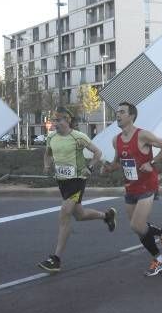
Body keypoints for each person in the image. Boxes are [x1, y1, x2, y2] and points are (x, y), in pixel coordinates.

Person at [39, 107, 117, 273]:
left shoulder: (78, 137)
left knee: (65, 213)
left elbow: (97, 152)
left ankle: (56, 258)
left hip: (77, 180)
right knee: (79, 215)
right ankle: (107, 216)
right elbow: (47, 154)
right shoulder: (51, 137)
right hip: (62, 182)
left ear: (67, 120)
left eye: (58, 120)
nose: (55, 123)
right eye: (54, 120)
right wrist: (47, 165)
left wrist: (89, 168)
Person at [103, 102, 162, 276]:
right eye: (117, 112)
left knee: (137, 224)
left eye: (122, 112)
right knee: (138, 227)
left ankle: (159, 257)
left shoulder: (142, 135)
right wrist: (108, 168)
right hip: (130, 186)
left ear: (131, 116)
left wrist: (151, 162)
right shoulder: (116, 140)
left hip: (147, 185)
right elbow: (118, 161)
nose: (118, 115)